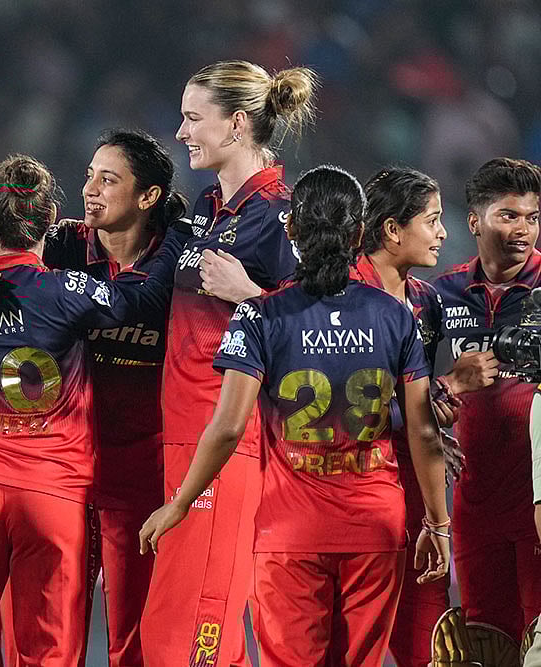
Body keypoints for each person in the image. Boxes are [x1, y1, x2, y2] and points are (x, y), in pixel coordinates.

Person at [140, 164, 450, 666]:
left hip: (289, 532)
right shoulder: (396, 315)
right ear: (359, 233)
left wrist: (180, 503)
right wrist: (437, 524)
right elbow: (424, 432)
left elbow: (227, 429)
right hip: (375, 530)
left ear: (290, 230)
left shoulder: (259, 314)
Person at [0, 154, 188, 666]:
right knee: (48, 649)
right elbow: (144, 298)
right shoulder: (65, 292)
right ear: (52, 218)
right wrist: (176, 236)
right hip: (51, 486)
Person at [142, 59, 316, 667]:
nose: (182, 131)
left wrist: (251, 295)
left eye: (193, 118)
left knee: (191, 630)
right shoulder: (208, 204)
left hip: (228, 438)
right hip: (182, 431)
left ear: (237, 124)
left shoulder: (281, 215)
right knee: (175, 624)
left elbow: (322, 337)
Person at [42, 128, 185, 666]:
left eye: (108, 179)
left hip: (141, 478)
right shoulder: (59, 249)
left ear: (148, 197)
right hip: (64, 475)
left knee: (133, 638)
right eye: (89, 176)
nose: (90, 189)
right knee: (53, 637)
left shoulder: (182, 264)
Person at [353, 167, 501, 667]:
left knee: (428, 642)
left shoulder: (426, 300)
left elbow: (412, 402)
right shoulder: (341, 295)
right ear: (393, 229)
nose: (442, 232)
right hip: (352, 485)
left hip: (416, 487)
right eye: (431, 220)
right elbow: (352, 410)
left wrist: (437, 417)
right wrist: (448, 386)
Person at [433, 157, 541, 645]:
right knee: (487, 643)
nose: (523, 230)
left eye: (532, 217)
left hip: (536, 498)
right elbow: (408, 384)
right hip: (475, 504)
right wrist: (442, 397)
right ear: (475, 221)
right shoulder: (442, 294)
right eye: (508, 216)